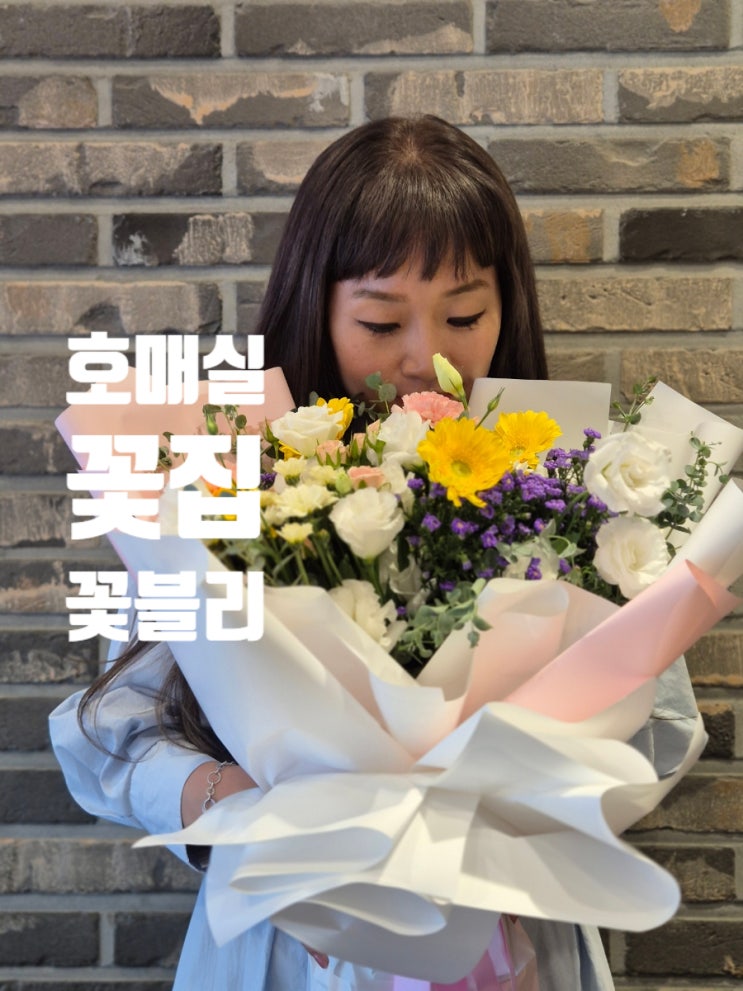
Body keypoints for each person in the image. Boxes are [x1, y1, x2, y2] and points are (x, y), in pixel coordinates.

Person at [49, 115, 699, 991]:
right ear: (317, 307)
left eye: (463, 314)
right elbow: (105, 728)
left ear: (507, 306)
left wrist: (518, 816)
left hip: (508, 935)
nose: (425, 358)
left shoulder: (565, 488)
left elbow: (660, 721)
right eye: (381, 320)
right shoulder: (227, 475)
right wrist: (244, 810)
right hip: (289, 943)